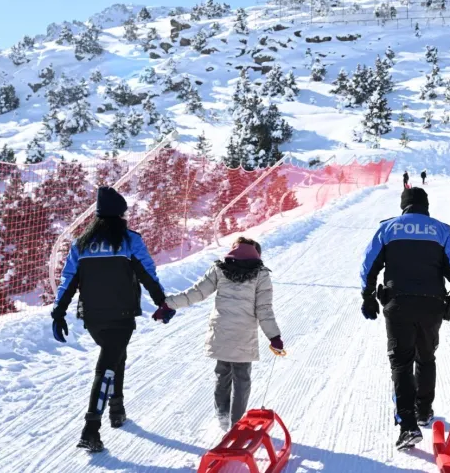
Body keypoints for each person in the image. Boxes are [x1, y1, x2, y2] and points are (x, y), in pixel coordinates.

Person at [361, 188, 450, 450]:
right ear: (426, 206)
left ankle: (408, 426)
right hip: (432, 305)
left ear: (403, 206)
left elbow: (368, 266)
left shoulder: (388, 229)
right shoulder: (442, 231)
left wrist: (367, 297)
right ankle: (424, 411)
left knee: (401, 362)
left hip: (398, 304)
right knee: (426, 357)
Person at [51, 187, 166, 453]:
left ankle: (117, 410)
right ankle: (90, 429)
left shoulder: (80, 244)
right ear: (121, 216)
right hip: (122, 315)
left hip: (92, 317)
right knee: (106, 368)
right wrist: (162, 301)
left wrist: (59, 312)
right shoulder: (130, 241)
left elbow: (68, 280)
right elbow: (148, 273)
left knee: (115, 357)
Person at [155, 237, 284, 431]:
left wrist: (168, 304)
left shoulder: (220, 268)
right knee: (241, 379)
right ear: (256, 254)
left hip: (220, 331)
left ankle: (223, 418)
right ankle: (236, 425)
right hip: (243, 334)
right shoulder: (260, 274)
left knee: (222, 374)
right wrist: (274, 337)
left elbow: (196, 293)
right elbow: (264, 309)